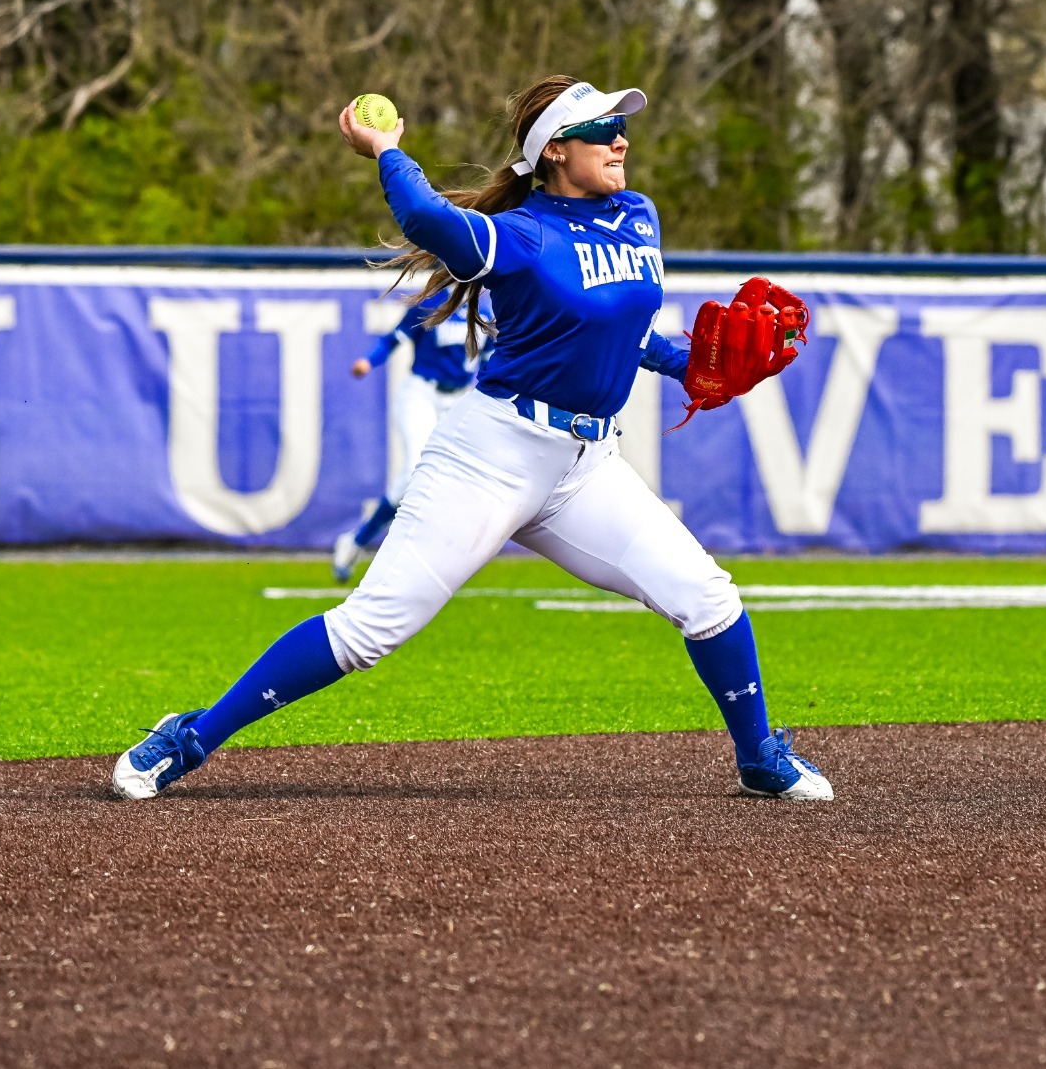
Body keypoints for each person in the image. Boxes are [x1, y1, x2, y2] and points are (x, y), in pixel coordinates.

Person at [112, 75, 832, 802]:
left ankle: (760, 756)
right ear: (555, 150)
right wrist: (388, 150)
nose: (620, 140)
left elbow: (627, 326)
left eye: (622, 127)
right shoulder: (520, 235)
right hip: (494, 453)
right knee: (370, 630)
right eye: (601, 129)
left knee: (709, 598)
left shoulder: (638, 215)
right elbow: (426, 217)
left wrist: (692, 365)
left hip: (587, 466)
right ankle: (191, 734)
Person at [330, 286, 484, 583]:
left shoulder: (486, 309)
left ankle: (369, 544)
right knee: (416, 469)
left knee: (456, 478)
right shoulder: (431, 304)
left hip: (460, 398)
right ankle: (360, 542)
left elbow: (491, 361)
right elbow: (393, 339)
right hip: (421, 394)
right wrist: (368, 361)